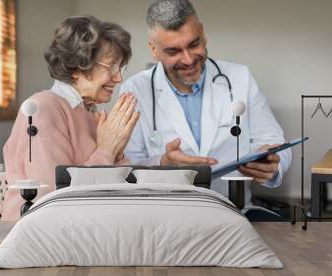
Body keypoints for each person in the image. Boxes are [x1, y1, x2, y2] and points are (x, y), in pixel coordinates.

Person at [120, 0, 292, 205]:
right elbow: (125, 167)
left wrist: (273, 164)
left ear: (202, 32)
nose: (188, 59)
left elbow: (274, 141)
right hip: (165, 215)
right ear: (154, 49)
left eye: (194, 44)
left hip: (232, 210)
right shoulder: (135, 90)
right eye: (173, 51)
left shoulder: (240, 77)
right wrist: (162, 163)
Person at [2, 16, 139, 221]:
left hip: (84, 225)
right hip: (35, 233)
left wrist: (117, 150)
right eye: (111, 67)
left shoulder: (91, 113)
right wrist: (106, 151)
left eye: (120, 68)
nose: (119, 78)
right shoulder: (43, 109)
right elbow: (53, 198)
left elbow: (118, 188)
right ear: (77, 67)